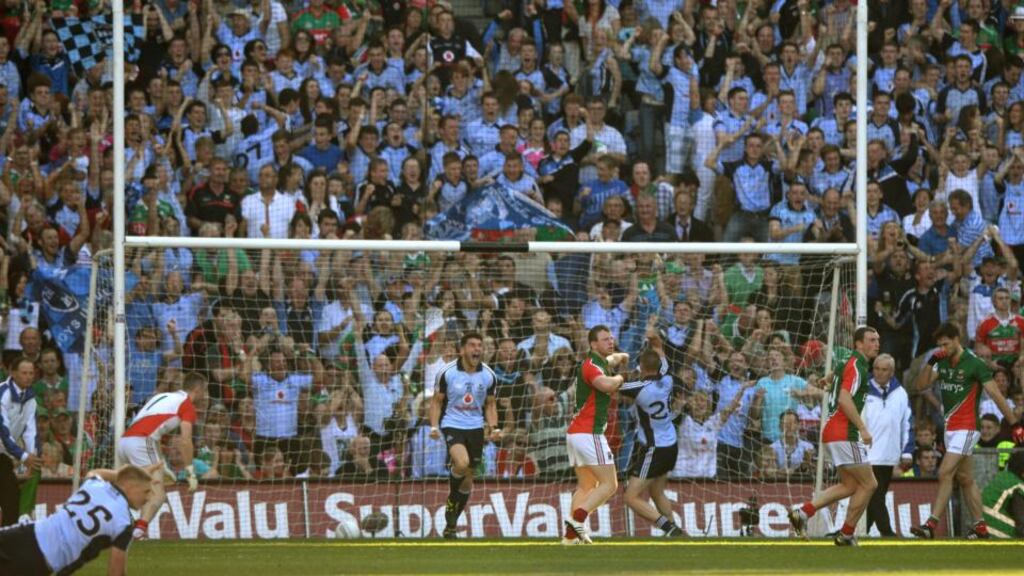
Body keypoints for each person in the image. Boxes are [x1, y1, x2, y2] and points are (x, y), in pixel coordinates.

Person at [911, 322, 1024, 539]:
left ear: (957, 340)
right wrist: (931, 361)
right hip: (950, 429)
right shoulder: (941, 361)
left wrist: (1015, 424)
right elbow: (920, 386)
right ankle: (980, 526)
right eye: (940, 344)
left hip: (968, 428)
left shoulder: (975, 364)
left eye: (946, 343)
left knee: (945, 472)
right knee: (965, 479)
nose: (943, 348)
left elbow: (996, 396)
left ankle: (930, 525)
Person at [790, 326, 881, 546]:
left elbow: (837, 372)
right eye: (871, 339)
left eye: (878, 340)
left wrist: (825, 379)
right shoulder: (857, 366)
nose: (876, 343)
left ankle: (803, 512)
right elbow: (844, 399)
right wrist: (863, 428)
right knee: (870, 484)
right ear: (859, 343)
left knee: (850, 486)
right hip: (844, 433)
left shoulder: (848, 361)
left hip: (832, 433)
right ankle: (847, 533)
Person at [0, 464, 159, 576]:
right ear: (131, 486)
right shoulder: (124, 523)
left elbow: (96, 471)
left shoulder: (94, 484)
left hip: (25, 535)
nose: (149, 497)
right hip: (41, 561)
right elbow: (115, 573)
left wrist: (122, 474)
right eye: (146, 491)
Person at [115, 372, 207, 538]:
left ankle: (130, 528)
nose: (204, 395)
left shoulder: (164, 397)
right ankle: (137, 532)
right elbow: (185, 441)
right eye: (204, 390)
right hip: (142, 442)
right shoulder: (187, 405)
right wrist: (190, 472)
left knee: (138, 491)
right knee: (157, 496)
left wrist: (161, 464)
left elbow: (152, 429)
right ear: (198, 389)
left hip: (124, 442)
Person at [429, 332, 500, 539]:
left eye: (479, 345)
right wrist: (434, 427)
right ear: (462, 349)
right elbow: (436, 401)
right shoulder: (447, 372)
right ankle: (452, 500)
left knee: (468, 478)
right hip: (452, 424)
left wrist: (494, 427)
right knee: (462, 463)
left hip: (476, 427)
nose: (477, 349)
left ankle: (451, 524)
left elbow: (490, 404)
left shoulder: (488, 375)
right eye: (472, 345)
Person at [562, 325, 627, 545]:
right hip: (589, 434)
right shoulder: (591, 366)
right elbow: (606, 385)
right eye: (605, 339)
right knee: (610, 484)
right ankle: (578, 520)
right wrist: (620, 378)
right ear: (593, 344)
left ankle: (570, 538)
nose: (610, 342)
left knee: (586, 486)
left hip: (575, 434)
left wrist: (622, 356)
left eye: (611, 338)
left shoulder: (599, 361)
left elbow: (613, 359)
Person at [618, 350, 683, 536]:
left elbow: (616, 385)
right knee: (657, 491)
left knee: (630, 497)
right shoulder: (668, 380)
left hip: (654, 449)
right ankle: (675, 533)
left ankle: (668, 527)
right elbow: (663, 359)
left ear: (643, 367)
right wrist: (655, 339)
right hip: (671, 444)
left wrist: (623, 366)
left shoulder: (639, 388)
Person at [862, 353, 914, 537]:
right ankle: (887, 531)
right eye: (876, 368)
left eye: (884, 370)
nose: (879, 373)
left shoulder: (901, 394)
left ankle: (860, 529)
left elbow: (907, 424)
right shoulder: (862, 389)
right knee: (875, 494)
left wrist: (907, 451)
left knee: (877, 495)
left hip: (890, 455)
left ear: (891, 372)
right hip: (868, 454)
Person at [0, 357, 41, 525]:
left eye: (31, 373)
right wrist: (24, 457)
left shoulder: (31, 399)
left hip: (3, 456)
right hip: (4, 454)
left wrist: (32, 458)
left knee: (11, 500)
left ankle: (9, 536)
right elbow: (3, 430)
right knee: (9, 497)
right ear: (12, 373)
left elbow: (31, 433)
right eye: (24, 373)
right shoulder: (3, 393)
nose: (28, 376)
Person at [982, 451, 1024, 538]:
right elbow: (1020, 517)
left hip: (981, 524)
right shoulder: (1018, 486)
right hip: (998, 530)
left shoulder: (1002, 477)